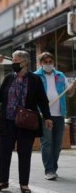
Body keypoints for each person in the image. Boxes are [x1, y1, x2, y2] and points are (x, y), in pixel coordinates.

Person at [0, 50, 52, 193]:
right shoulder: (8, 78)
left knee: (24, 153)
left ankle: (24, 184)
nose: (13, 63)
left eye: (16, 60)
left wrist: (48, 117)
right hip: (8, 121)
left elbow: (42, 100)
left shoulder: (35, 80)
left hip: (26, 122)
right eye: (13, 60)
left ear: (25, 62)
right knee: (4, 152)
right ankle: (3, 181)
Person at [34, 52, 76, 180]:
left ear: (53, 63)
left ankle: (53, 168)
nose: (48, 64)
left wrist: (74, 86)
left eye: (50, 62)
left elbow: (69, 93)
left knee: (57, 144)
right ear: (41, 63)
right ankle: (49, 170)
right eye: (45, 62)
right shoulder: (36, 76)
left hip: (59, 114)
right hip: (44, 115)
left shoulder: (60, 75)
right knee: (47, 142)